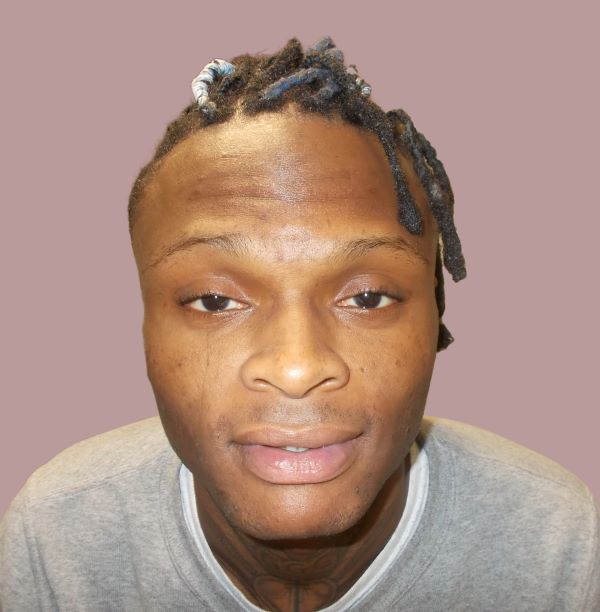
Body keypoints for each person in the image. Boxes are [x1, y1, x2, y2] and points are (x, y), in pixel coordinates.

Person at [1, 37, 598, 612]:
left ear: (434, 316)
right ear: (144, 326)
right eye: (215, 301)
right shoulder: (56, 537)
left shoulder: (557, 544)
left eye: (367, 298)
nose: (297, 368)